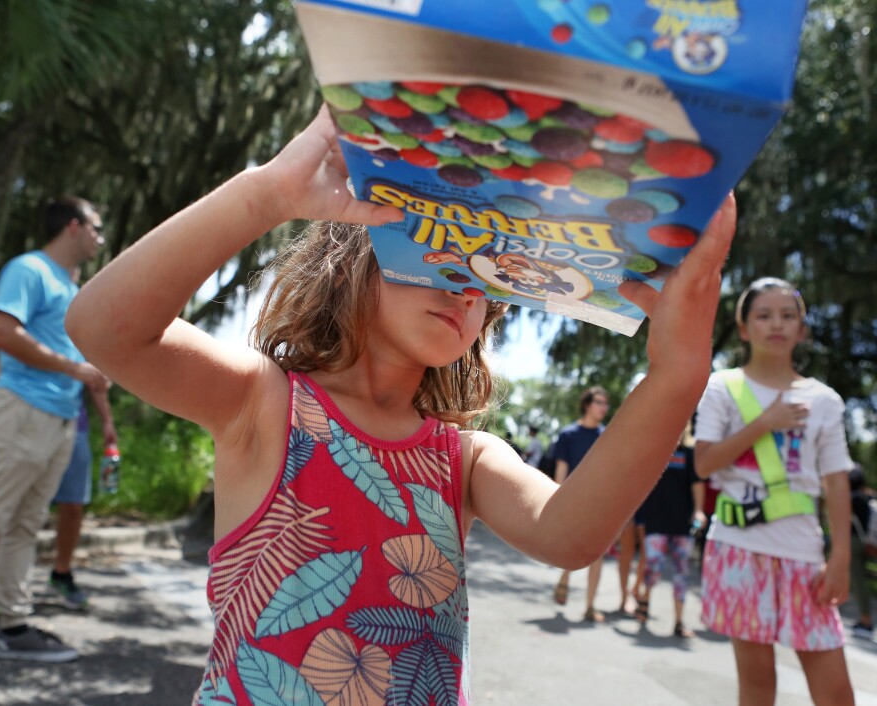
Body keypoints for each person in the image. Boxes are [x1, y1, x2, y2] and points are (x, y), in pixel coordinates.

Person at [65, 107, 736, 705]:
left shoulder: (466, 457)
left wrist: (677, 372)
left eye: (488, 278)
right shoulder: (264, 401)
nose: (465, 287)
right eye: (445, 247)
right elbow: (103, 329)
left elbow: (569, 537)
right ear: (354, 246)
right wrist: (267, 195)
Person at [694, 277, 855, 706]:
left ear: (802, 330)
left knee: (837, 693)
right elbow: (704, 462)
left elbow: (836, 480)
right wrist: (767, 421)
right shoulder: (721, 387)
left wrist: (840, 557)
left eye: (788, 316)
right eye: (763, 315)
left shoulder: (825, 400)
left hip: (805, 554)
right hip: (736, 549)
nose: (776, 324)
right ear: (744, 328)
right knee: (758, 685)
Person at [0, 197, 110, 662]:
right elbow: (4, 331)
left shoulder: (71, 283)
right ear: (73, 227)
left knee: (24, 524)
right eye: (96, 228)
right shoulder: (30, 270)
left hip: (60, 420)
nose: (100, 239)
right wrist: (76, 369)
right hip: (20, 409)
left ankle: (11, 622)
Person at [551, 386, 634, 621]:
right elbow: (561, 470)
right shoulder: (568, 434)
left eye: (606, 403)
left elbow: (614, 472)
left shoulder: (607, 435)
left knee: (597, 553)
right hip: (572, 501)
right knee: (573, 548)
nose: (604, 407)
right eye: (599, 402)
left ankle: (589, 606)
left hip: (600, 503)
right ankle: (565, 577)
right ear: (587, 404)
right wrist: (557, 498)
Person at [48, 388, 117, 610]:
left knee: (73, 506)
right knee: (15, 507)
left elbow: (93, 379)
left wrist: (107, 421)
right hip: (27, 422)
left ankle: (62, 573)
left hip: (75, 428)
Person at [633, 431, 705, 638]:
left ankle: (679, 622)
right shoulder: (655, 451)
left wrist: (699, 510)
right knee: (653, 565)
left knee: (682, 573)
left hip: (682, 525)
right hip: (656, 521)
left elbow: (697, 483)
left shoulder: (689, 455)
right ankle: (644, 602)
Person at [849, 463, 875, 638]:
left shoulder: (850, 498)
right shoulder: (868, 497)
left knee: (858, 583)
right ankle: (864, 619)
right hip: (870, 541)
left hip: (855, 542)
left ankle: (865, 620)